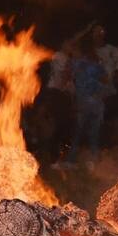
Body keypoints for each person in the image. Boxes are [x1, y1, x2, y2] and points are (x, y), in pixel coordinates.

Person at [64, 23, 110, 166]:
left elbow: (68, 45)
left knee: (79, 132)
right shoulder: (95, 63)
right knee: (92, 132)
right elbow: (105, 79)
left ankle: (73, 161)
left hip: (86, 102)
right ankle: (93, 160)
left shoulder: (78, 63)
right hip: (95, 102)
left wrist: (85, 30)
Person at [40, 36, 77, 165]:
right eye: (69, 44)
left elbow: (69, 80)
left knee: (65, 125)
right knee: (58, 125)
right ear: (63, 45)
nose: (72, 47)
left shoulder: (67, 58)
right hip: (57, 94)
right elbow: (62, 77)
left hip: (64, 94)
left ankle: (60, 157)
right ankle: (54, 158)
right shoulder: (59, 56)